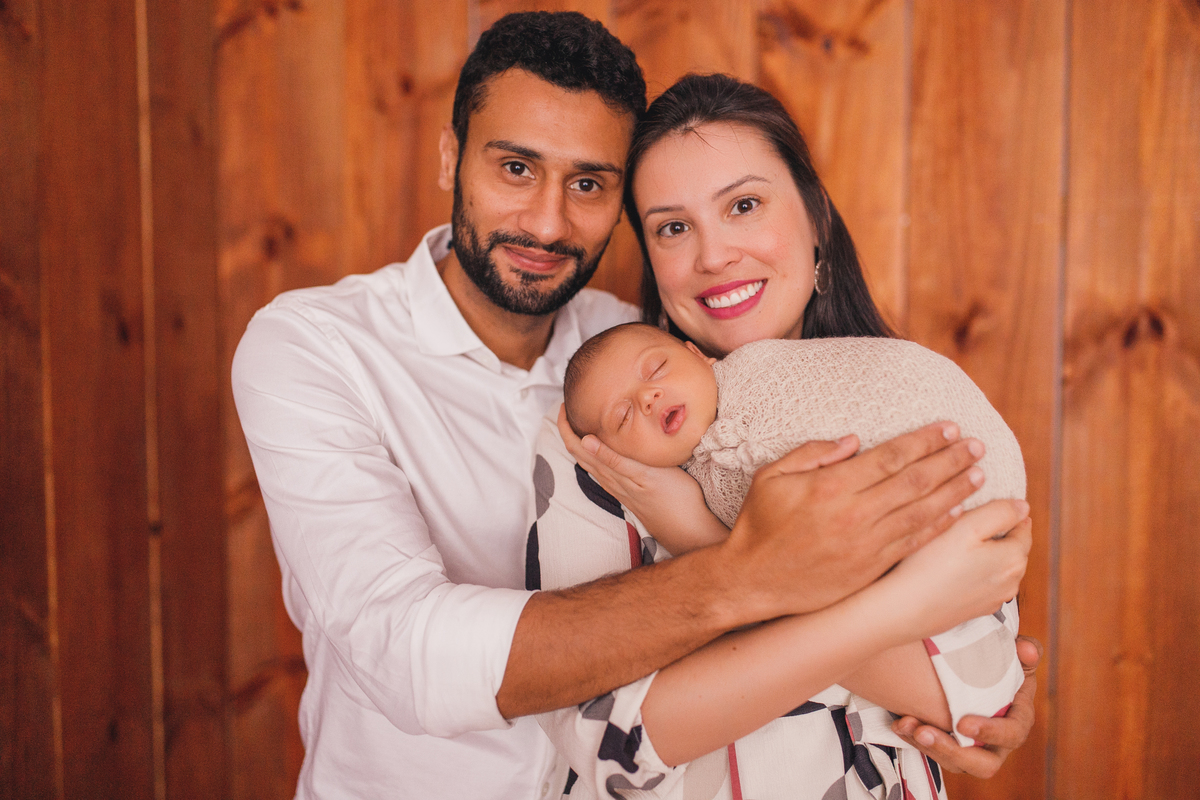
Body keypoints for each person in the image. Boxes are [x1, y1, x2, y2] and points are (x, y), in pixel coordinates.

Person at [231, 13, 1036, 799]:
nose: (547, 220)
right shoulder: (614, 414)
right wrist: (810, 589)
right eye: (515, 168)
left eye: (587, 184)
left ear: (816, 214)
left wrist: (987, 698)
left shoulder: (655, 357)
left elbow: (983, 674)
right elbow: (425, 661)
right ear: (451, 156)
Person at [530, 75, 1033, 798]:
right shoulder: (606, 439)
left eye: (743, 205)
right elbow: (612, 744)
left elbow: (980, 698)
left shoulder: (908, 400)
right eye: (674, 227)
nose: (714, 255)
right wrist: (895, 617)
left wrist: (706, 540)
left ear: (816, 217)